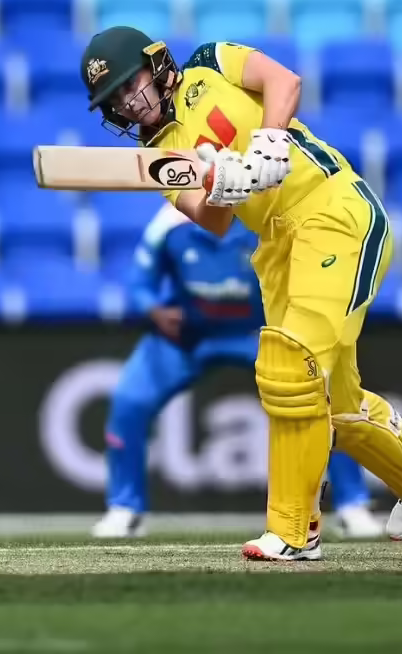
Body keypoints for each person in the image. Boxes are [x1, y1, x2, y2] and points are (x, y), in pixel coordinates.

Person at [80, 26, 402, 560]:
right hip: (276, 245)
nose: (128, 101)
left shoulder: (210, 61)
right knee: (334, 402)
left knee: (291, 367)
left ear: (157, 62)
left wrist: (268, 141)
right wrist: (224, 185)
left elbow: (284, 81)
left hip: (330, 211)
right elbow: (212, 220)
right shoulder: (159, 155)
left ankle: (293, 530)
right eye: (115, 98)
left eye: (131, 83)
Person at [92, 203, 384, 540]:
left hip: (261, 335)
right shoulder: (169, 222)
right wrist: (154, 310)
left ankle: (352, 506)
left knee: (323, 403)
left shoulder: (272, 218)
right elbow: (139, 282)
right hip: (186, 337)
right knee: (129, 401)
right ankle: (124, 509)